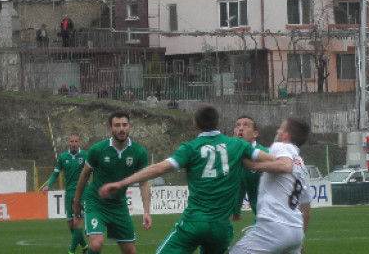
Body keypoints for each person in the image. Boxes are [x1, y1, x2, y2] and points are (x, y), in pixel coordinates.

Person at [98, 104, 271, 254]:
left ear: (195, 124)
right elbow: (271, 159)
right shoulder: (238, 145)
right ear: (218, 122)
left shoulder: (190, 148)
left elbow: (159, 168)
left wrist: (122, 182)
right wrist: (287, 163)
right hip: (221, 227)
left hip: (194, 224)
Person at [229, 116, 312, 254]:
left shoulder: (281, 146)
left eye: (280, 128)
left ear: (286, 135)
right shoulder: (301, 165)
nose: (277, 131)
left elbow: (285, 166)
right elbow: (307, 211)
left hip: (274, 227)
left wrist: (251, 165)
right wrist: (299, 239)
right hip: (296, 229)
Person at [73, 112, 151, 254]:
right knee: (96, 244)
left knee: (130, 251)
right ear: (110, 128)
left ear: (129, 127)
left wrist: (146, 211)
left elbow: (144, 182)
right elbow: (84, 176)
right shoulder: (98, 150)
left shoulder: (139, 152)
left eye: (124, 125)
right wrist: (77, 201)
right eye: (117, 125)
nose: (121, 129)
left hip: (119, 206)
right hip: (96, 203)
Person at [42, 134, 88, 254]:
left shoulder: (85, 156)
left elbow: (95, 169)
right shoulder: (63, 157)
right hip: (68, 193)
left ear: (79, 143)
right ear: (68, 143)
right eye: (71, 141)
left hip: (82, 192)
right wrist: (48, 185)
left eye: (76, 141)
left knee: (77, 222)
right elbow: (55, 174)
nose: (73, 143)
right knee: (71, 225)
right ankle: (85, 247)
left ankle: (71, 252)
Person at [233, 115, 269, 221]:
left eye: (246, 125)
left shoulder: (264, 154)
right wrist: (236, 210)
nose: (241, 128)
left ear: (255, 134)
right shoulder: (237, 157)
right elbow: (240, 186)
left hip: (274, 214)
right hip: (262, 216)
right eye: (238, 125)